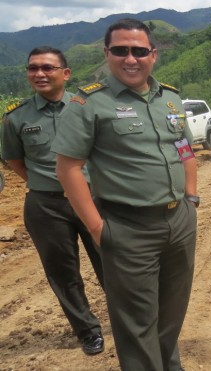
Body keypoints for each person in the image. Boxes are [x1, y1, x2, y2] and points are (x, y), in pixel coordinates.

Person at [52, 19, 198, 371]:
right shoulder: (88, 104)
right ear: (107, 54)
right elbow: (68, 168)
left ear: (153, 55)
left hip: (179, 221)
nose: (130, 59)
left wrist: (191, 201)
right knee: (136, 322)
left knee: (172, 310)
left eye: (139, 51)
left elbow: (185, 151)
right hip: (127, 226)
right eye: (120, 50)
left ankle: (169, 364)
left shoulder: (171, 98)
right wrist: (97, 228)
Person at [1, 46, 105, 356]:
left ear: (66, 73)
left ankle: (130, 320)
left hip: (94, 199)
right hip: (46, 206)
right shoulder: (16, 117)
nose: (39, 74)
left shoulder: (88, 106)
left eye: (47, 67)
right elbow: (14, 161)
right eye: (33, 68)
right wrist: (42, 183)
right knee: (63, 273)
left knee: (112, 262)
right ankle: (88, 331)